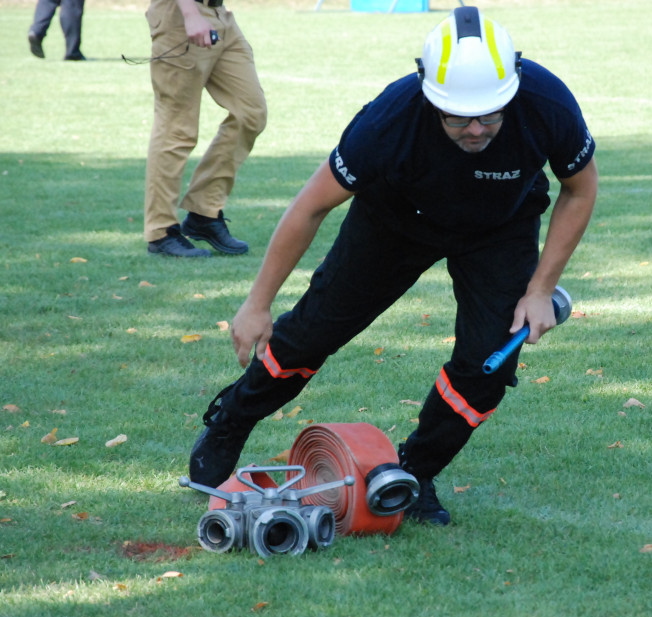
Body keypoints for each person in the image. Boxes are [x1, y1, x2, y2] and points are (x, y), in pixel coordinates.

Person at [188, 6, 598, 526]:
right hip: (394, 221)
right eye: (458, 117)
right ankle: (231, 421)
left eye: (490, 115)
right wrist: (258, 303)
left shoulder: (546, 101)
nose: (475, 129)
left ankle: (411, 473)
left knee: (490, 363)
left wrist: (541, 289)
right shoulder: (390, 118)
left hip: (500, 228)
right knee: (312, 333)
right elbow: (309, 207)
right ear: (430, 94)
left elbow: (580, 189)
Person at [144, 0, 266, 258]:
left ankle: (204, 212)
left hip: (220, 16)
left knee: (251, 114)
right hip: (182, 16)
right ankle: (160, 232)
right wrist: (190, 14)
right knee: (176, 129)